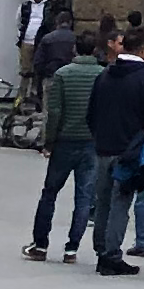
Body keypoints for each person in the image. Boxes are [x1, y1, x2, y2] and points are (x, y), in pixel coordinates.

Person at [87, 30, 144, 275]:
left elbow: (91, 113)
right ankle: (111, 255)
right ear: (143, 49)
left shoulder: (105, 74)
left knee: (103, 202)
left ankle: (101, 250)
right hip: (130, 150)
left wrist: (100, 136)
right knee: (121, 202)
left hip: (104, 147)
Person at [29, 28, 102, 264]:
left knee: (50, 192)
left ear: (74, 49)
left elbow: (55, 112)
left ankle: (40, 244)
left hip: (65, 141)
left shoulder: (63, 74)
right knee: (84, 196)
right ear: (95, 50)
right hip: (91, 142)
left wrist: (48, 142)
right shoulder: (103, 75)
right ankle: (72, 248)